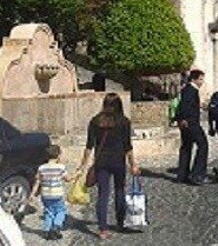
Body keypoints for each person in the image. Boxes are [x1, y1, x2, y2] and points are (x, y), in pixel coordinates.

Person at [76, 93, 140, 240]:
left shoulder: (95, 121)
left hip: (101, 162)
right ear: (119, 105)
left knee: (103, 195)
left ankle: (103, 229)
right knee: (119, 191)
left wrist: (83, 165)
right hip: (118, 161)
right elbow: (128, 146)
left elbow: (89, 146)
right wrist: (133, 164)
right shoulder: (124, 122)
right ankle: (120, 222)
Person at [29, 144, 71, 240]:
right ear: (58, 155)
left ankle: (47, 231)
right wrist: (77, 174)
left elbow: (37, 182)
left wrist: (32, 194)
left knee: (48, 212)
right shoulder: (61, 167)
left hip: (45, 195)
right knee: (61, 211)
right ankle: (56, 226)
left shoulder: (41, 168)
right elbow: (68, 179)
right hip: (57, 194)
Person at [175, 69, 209, 185]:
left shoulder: (187, 89)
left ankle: (182, 175)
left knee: (186, 147)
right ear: (194, 79)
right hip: (191, 122)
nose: (202, 82)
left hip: (186, 122)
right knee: (203, 145)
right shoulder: (191, 90)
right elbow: (185, 106)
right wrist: (184, 119)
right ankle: (197, 174)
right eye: (200, 79)